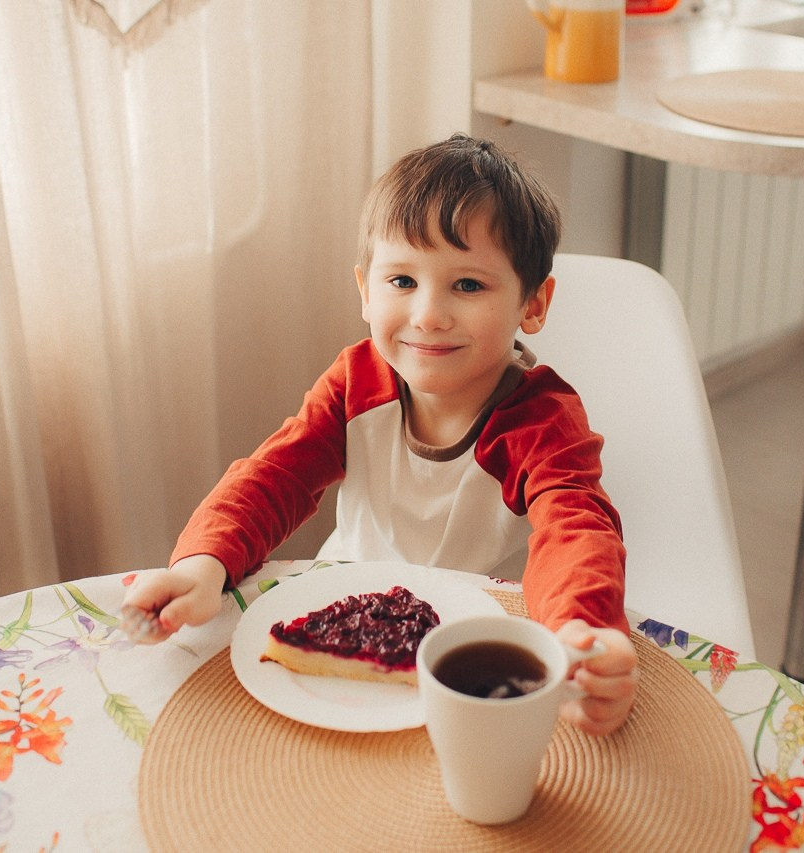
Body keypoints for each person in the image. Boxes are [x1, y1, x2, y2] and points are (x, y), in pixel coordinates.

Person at [122, 133, 637, 736]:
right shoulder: (354, 381)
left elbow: (577, 528)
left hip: (472, 650)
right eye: (402, 282)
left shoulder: (542, 420)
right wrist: (201, 567)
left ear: (534, 305)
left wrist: (582, 631)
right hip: (338, 627)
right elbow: (273, 476)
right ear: (366, 289)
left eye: (467, 285)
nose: (428, 315)